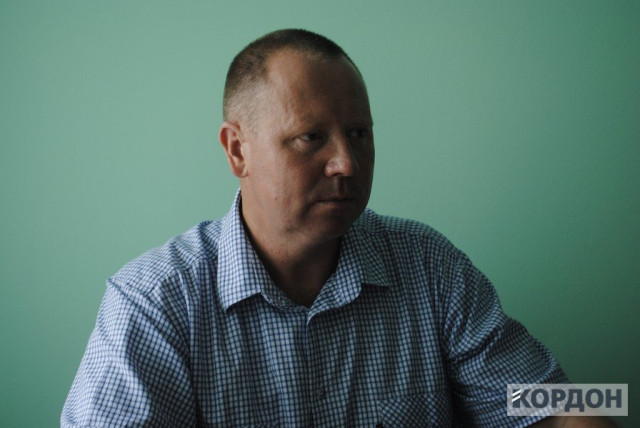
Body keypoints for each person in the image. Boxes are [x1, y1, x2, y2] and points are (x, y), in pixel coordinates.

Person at [62, 29, 615, 427]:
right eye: (311, 138)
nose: (346, 163)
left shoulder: (431, 267)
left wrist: (596, 405)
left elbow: (557, 404)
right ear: (238, 150)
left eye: (359, 133)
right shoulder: (152, 305)